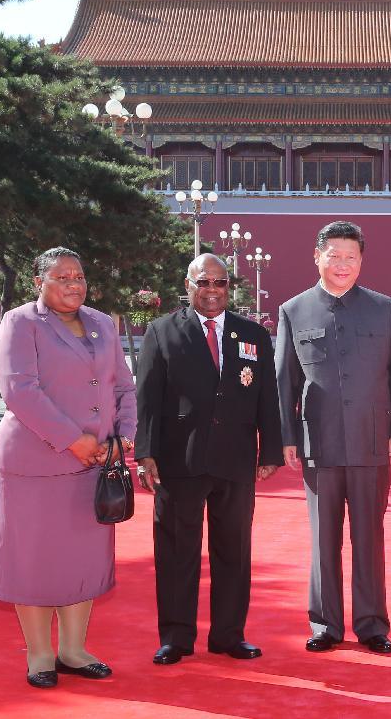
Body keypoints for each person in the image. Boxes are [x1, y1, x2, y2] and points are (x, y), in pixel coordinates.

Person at [0, 247, 136, 689]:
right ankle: (39, 655)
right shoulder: (21, 323)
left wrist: (124, 436)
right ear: (39, 283)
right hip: (35, 464)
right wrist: (76, 440)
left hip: (94, 465)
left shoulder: (102, 323)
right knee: (33, 562)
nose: (73, 284)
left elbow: (123, 385)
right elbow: (20, 391)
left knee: (81, 561)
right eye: (62, 277)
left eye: (79, 276)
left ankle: (73, 650)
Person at [275, 220, 391, 654]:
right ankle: (326, 624)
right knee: (324, 538)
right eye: (333, 255)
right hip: (320, 442)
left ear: (361, 262)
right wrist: (286, 437)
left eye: (350, 257)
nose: (342, 264)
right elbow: (284, 380)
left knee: (369, 536)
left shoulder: (382, 308)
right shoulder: (294, 310)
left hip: (373, 440)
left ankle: (372, 623)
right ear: (316, 256)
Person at [134, 253, 283, 665]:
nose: (212, 290)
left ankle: (228, 635)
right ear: (188, 285)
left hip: (235, 461)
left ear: (228, 288)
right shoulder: (162, 332)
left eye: (220, 283)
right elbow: (146, 399)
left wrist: (270, 448)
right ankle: (176, 638)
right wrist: (145, 452)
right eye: (204, 282)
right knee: (177, 551)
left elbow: (266, 397)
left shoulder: (252, 334)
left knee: (233, 550)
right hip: (178, 461)